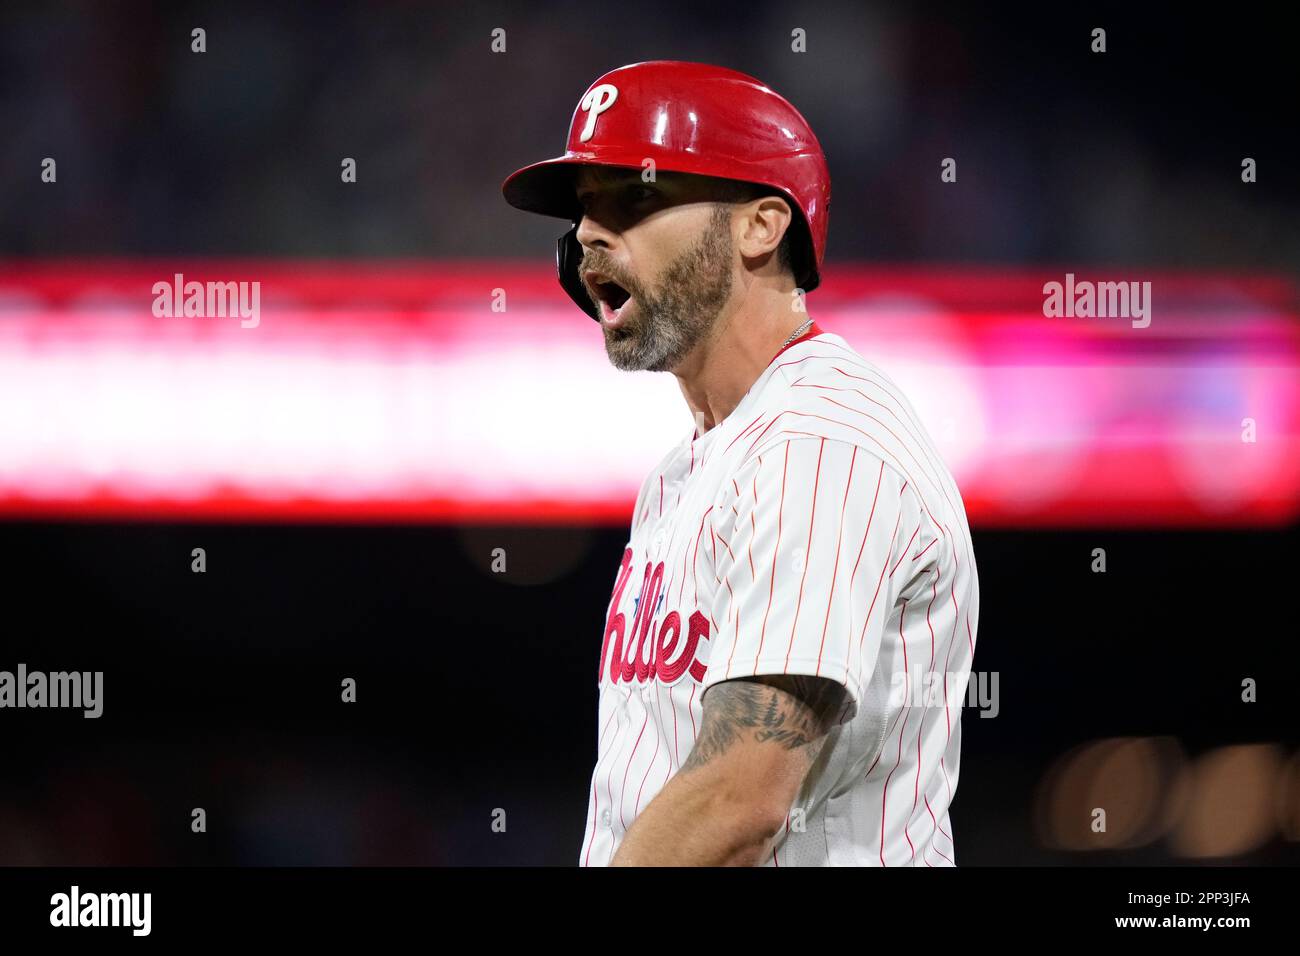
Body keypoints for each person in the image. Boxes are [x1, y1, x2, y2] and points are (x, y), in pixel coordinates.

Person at [503, 61, 979, 866]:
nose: (587, 233)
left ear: (762, 226)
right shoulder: (688, 469)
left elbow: (738, 802)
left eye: (637, 196)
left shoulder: (820, 445)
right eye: (587, 208)